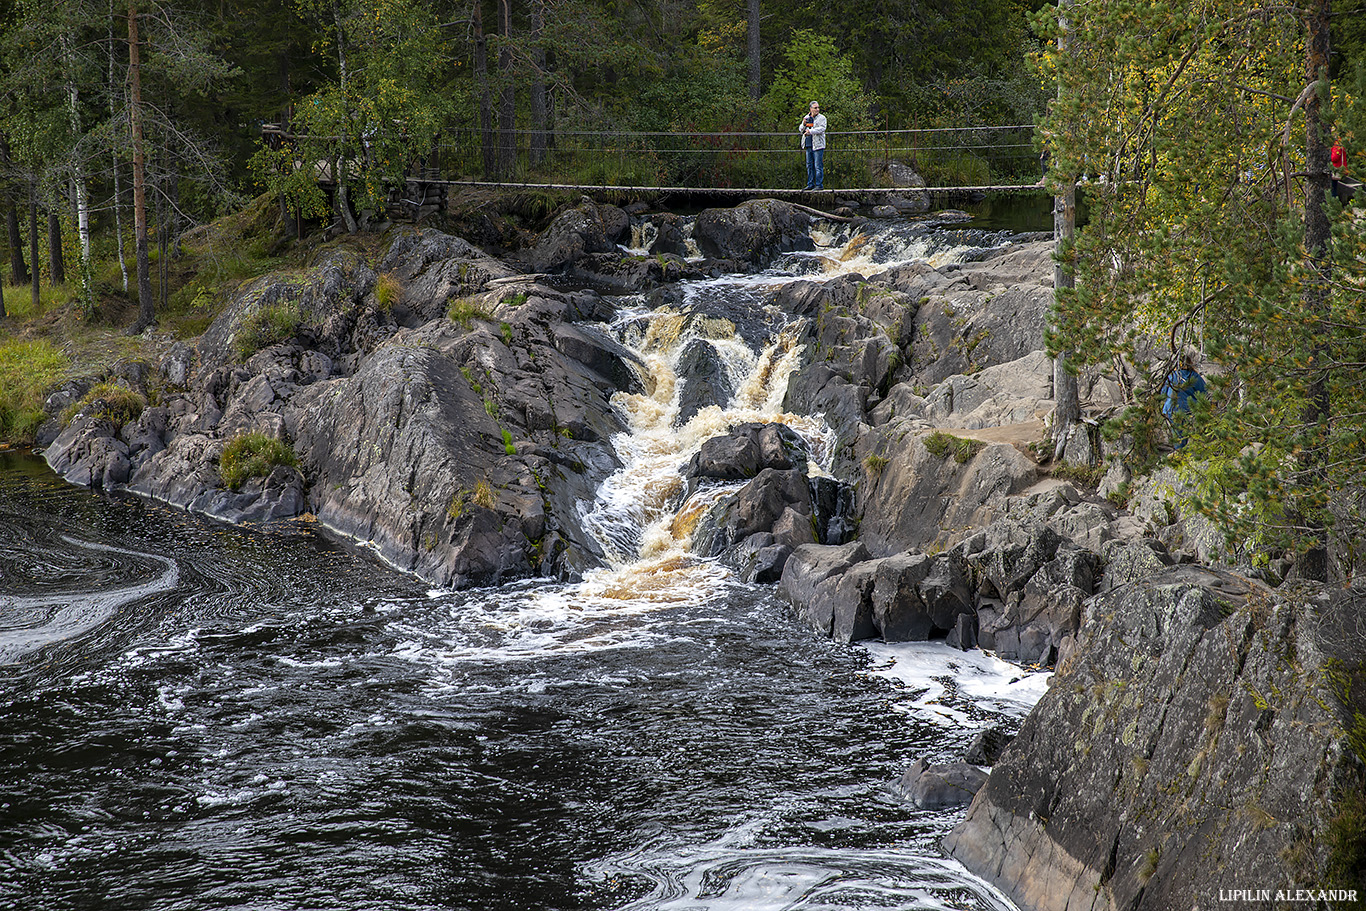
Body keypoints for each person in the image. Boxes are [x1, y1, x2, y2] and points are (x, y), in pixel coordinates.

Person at [1161, 352, 1206, 450]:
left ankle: (1180, 454)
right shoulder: (1194, 377)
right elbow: (1203, 393)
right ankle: (1185, 455)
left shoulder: (1172, 376)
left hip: (1171, 408)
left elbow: (1163, 393)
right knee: (1190, 434)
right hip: (1188, 409)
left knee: (1178, 435)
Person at [799, 101, 827, 191]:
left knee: (818, 165)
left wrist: (811, 131)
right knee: (809, 165)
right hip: (808, 144)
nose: (817, 109)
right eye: (815, 108)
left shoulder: (822, 118)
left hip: (818, 145)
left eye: (818, 108)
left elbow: (822, 128)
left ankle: (819, 185)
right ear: (810, 109)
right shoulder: (806, 117)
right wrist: (803, 124)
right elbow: (800, 129)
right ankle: (810, 184)